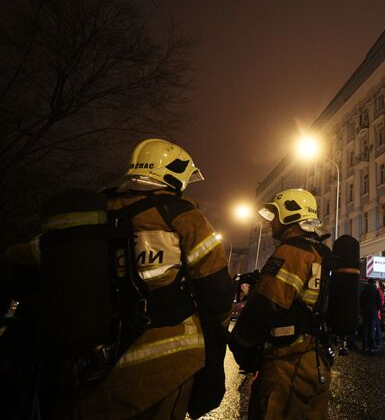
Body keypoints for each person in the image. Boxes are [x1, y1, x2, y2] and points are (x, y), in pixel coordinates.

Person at [5, 138, 232, 419]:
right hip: (168, 360)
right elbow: (216, 289)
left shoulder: (92, 215)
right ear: (176, 175)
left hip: (93, 361)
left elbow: (22, 260)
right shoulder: (183, 215)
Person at [229, 188, 333, 419]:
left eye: (275, 215)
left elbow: (267, 304)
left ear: (290, 215)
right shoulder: (322, 251)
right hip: (315, 361)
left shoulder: (293, 251)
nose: (271, 222)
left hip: (287, 363)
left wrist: (239, 343)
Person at [360, 278, 381, 354]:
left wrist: (362, 310)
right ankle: (371, 346)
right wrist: (376, 309)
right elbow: (379, 303)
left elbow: (360, 302)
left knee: (365, 330)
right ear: (373, 283)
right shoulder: (376, 292)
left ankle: (365, 346)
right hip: (373, 314)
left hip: (365, 313)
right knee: (372, 330)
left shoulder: (364, 292)